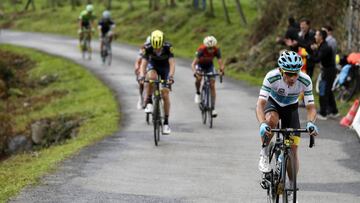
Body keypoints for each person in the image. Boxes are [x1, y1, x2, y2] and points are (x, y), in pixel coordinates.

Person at [256, 51, 318, 185]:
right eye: (289, 74)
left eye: (295, 73)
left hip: (291, 108)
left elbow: (311, 107)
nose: (292, 77)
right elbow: (260, 104)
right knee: (271, 120)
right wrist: (262, 123)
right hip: (273, 104)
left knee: (294, 149)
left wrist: (310, 123)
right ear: (280, 70)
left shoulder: (305, 80)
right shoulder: (271, 77)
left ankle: (291, 186)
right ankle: (265, 153)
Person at [139, 30, 175, 134]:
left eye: (159, 47)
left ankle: (166, 123)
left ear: (163, 43)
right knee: (151, 77)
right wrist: (141, 75)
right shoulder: (148, 47)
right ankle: (149, 100)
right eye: (155, 47)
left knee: (165, 93)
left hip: (165, 68)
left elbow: (172, 63)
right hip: (153, 65)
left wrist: (171, 76)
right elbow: (143, 64)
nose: (157, 49)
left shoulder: (168, 47)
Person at [191, 36, 224, 117]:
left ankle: (213, 108)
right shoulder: (201, 50)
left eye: (212, 48)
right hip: (200, 65)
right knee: (199, 78)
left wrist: (221, 70)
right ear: (206, 47)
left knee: (212, 84)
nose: (211, 50)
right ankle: (198, 92)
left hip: (209, 66)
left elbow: (220, 63)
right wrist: (195, 72)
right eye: (209, 48)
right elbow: (193, 64)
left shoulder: (216, 50)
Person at [310, 30, 339, 120]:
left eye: (316, 35)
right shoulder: (322, 46)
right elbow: (318, 56)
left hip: (328, 71)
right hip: (328, 70)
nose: (315, 36)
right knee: (328, 91)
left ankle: (323, 113)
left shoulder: (325, 47)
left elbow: (317, 59)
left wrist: (310, 54)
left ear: (321, 37)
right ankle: (334, 111)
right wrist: (314, 50)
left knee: (323, 91)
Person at [135, 36, 150, 110]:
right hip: (144, 65)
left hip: (153, 66)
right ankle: (141, 97)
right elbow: (138, 61)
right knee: (142, 81)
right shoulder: (143, 49)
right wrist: (137, 68)